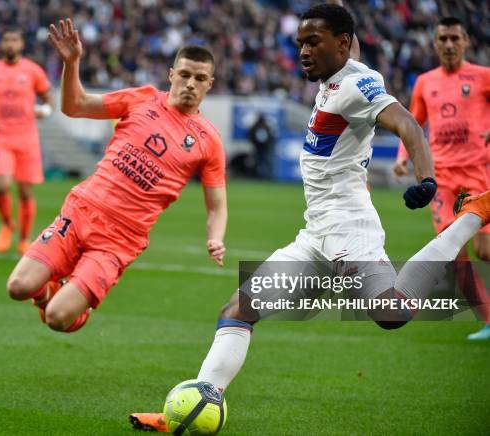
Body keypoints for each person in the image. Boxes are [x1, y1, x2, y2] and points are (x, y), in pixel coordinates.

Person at [129, 4, 489, 431]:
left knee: (391, 314)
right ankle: (191, 407)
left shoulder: (359, 85)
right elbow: (347, 33)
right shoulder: (334, 73)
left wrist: (426, 178)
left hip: (349, 229)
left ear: (340, 44)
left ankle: (473, 215)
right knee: (239, 308)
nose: (302, 51)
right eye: (300, 42)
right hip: (315, 234)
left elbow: (408, 123)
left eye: (312, 42)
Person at [5, 19, 227, 335]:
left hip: (120, 239)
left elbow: (217, 205)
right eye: (185, 74)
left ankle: (64, 303)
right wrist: (72, 63)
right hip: (81, 211)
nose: (191, 83)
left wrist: (215, 238)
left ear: (210, 84)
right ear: (171, 75)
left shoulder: (208, 141)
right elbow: (75, 105)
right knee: (17, 287)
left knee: (58, 318)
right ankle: (48, 291)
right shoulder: (142, 99)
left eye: (200, 78)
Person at [393, 17, 490, 341]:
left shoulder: (483, 77)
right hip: (442, 177)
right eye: (442, 39)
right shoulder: (425, 82)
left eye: (454, 38)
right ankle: (489, 320)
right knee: (453, 252)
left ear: (465, 41)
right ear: (435, 44)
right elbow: (411, 122)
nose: (448, 44)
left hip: (478, 172)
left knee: (485, 250)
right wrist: (402, 159)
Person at [0, 28, 54, 254]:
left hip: (27, 138)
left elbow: (49, 100)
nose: (10, 44)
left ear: (21, 44)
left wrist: (43, 111)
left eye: (14, 40)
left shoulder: (33, 71)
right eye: (6, 40)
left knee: (26, 192)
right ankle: (8, 224)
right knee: (2, 185)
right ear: (2, 44)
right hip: (0, 137)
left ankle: (24, 238)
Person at [248, 114, 275, 179]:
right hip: (264, 148)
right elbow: (271, 137)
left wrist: (255, 144)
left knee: (257, 162)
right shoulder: (267, 127)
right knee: (265, 161)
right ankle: (266, 176)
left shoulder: (254, 126)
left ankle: (256, 175)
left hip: (257, 147)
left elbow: (250, 136)